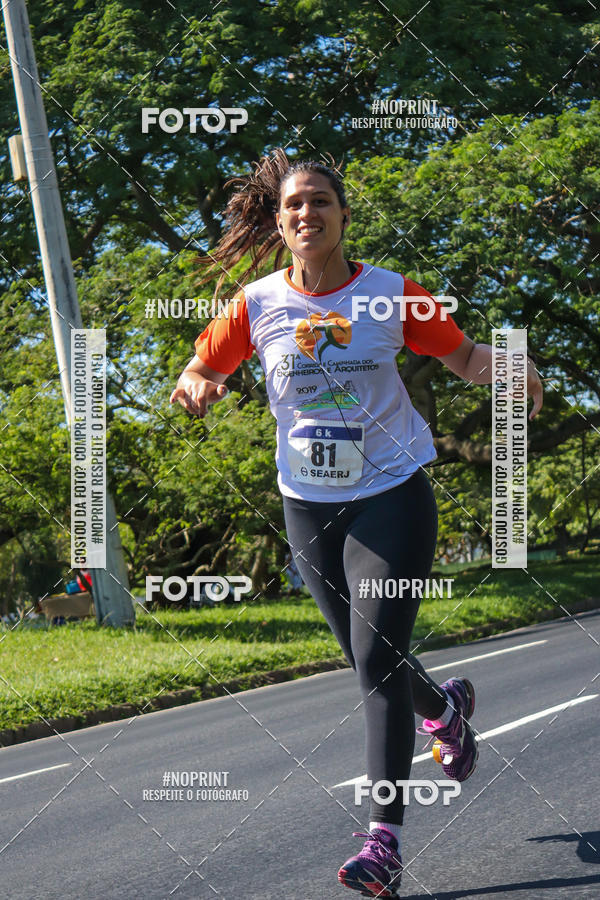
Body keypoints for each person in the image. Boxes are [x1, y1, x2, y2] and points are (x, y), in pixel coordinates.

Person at [170, 149, 543, 897]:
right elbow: (203, 369)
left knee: (375, 658)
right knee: (371, 659)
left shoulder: (392, 294)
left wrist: (513, 366)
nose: (306, 212)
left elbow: (465, 357)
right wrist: (195, 386)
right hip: (307, 504)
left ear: (343, 215)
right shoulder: (255, 304)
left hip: (390, 493)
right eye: (294, 204)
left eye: (320, 201)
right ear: (279, 223)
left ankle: (383, 842)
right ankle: (445, 711)